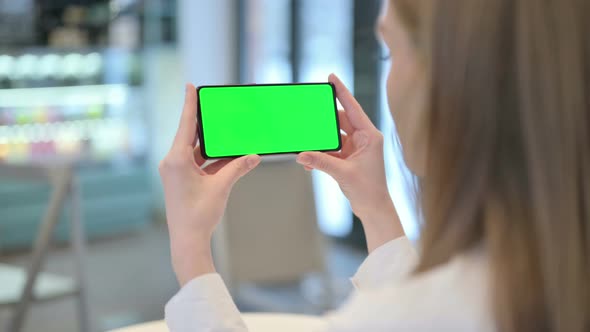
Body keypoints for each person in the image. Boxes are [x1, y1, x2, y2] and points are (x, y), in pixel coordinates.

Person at [158, 0, 589, 330]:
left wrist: (190, 249)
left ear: (445, 83)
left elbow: (416, 313)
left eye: (390, 54)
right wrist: (377, 207)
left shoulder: (404, 315)